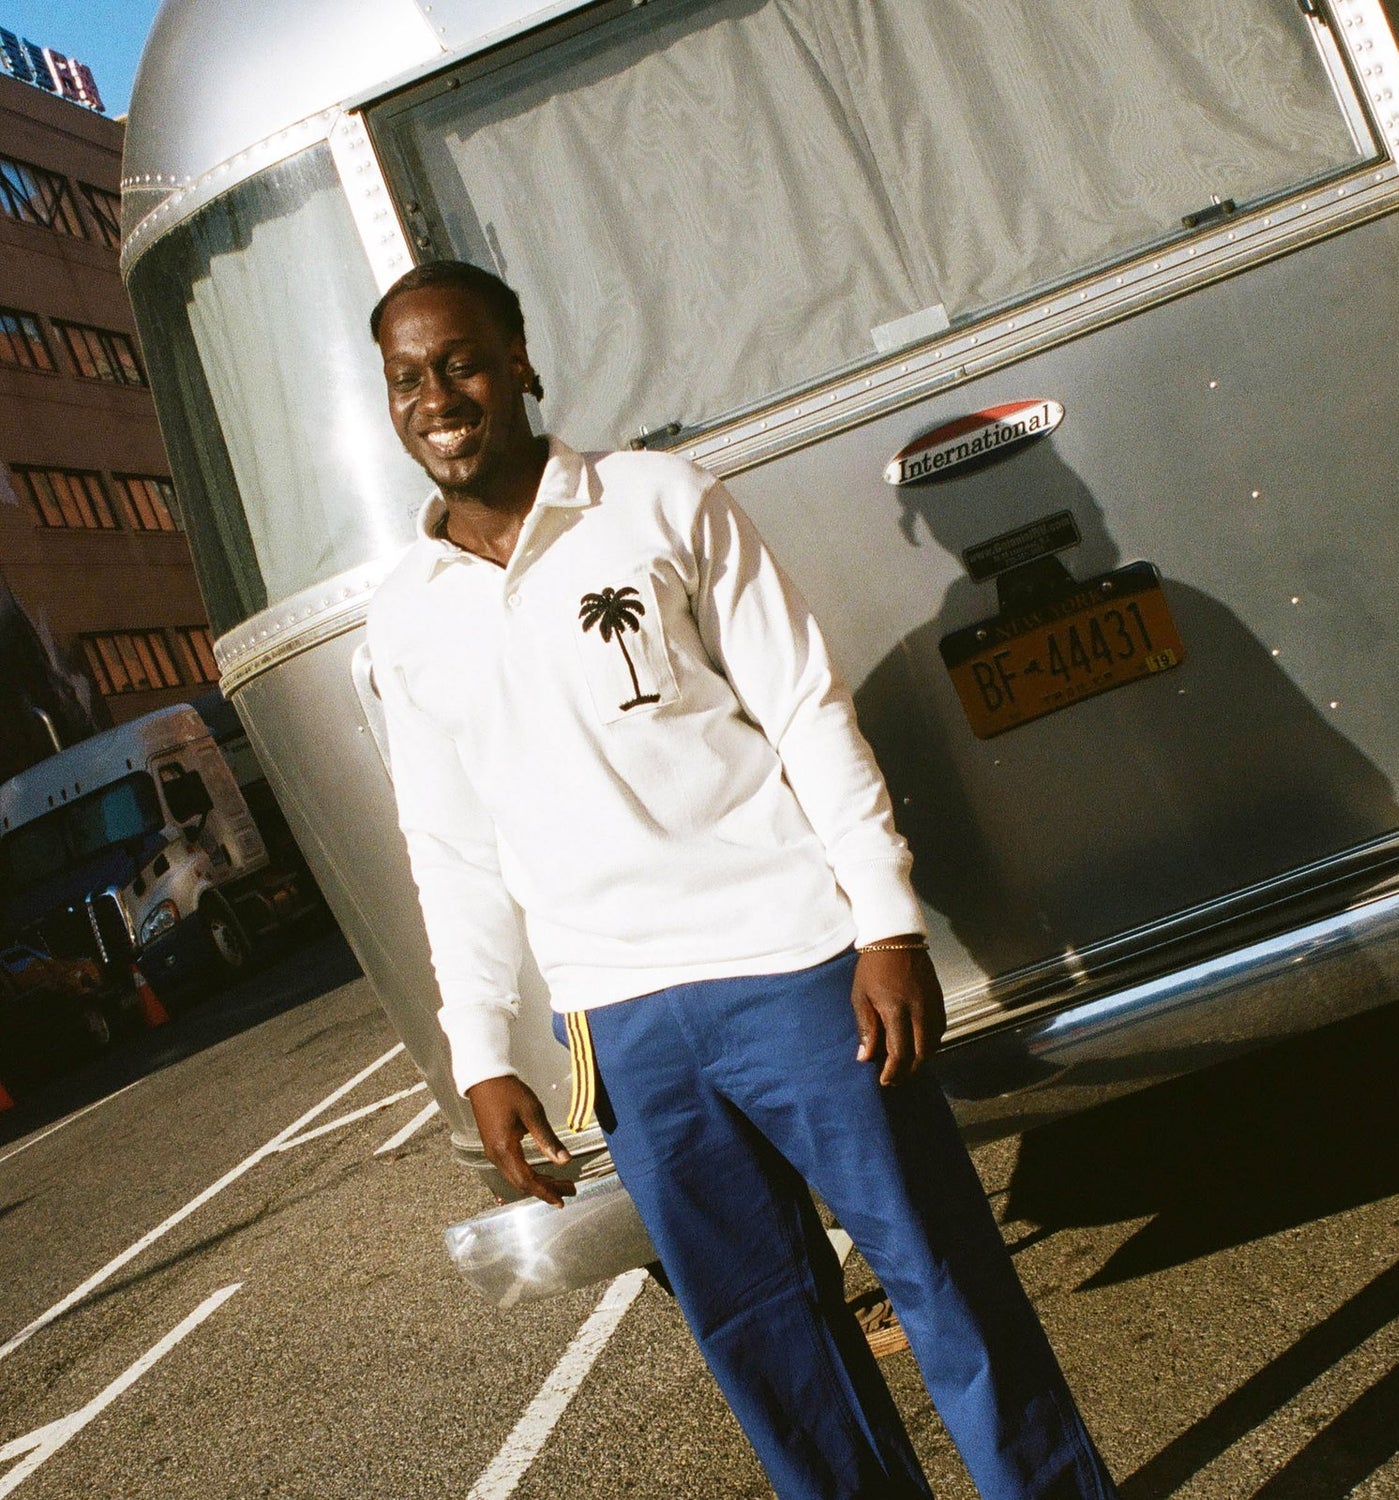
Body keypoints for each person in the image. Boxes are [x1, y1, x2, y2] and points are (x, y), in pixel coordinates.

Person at [365, 259, 1118, 1500]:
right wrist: (483, 1058)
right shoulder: (407, 618)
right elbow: (448, 851)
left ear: (520, 362)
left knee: (940, 1274)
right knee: (764, 1336)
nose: (436, 396)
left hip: (794, 965)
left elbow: (804, 707)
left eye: (460, 362)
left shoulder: (657, 501)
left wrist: (885, 925)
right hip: (623, 1020)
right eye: (407, 378)